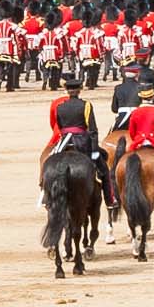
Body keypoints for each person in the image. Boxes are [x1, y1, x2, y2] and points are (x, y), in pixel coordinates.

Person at [44, 73, 115, 209]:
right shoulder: (86, 105)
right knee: (104, 171)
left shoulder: (60, 107)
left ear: (67, 90)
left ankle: (46, 196)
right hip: (82, 142)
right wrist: (94, 150)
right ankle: (110, 199)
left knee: (49, 163)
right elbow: (92, 129)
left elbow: (59, 125)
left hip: (64, 141)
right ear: (79, 90)